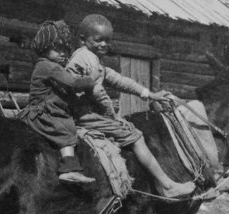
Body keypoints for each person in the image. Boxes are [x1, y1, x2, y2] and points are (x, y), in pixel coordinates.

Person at [66, 14, 196, 198]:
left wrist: (149, 94)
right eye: (98, 40)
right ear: (82, 40)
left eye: (107, 40)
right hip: (83, 115)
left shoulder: (89, 57)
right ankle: (166, 186)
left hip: (81, 113)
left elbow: (119, 80)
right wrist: (111, 116)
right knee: (136, 137)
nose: (104, 44)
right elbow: (97, 92)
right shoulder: (88, 59)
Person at [17, 20, 101, 185]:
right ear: (45, 48)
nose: (63, 53)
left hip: (45, 109)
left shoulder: (50, 66)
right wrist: (92, 78)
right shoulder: (49, 67)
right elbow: (73, 83)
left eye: (65, 49)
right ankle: (69, 169)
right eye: (57, 49)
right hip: (42, 113)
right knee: (64, 129)